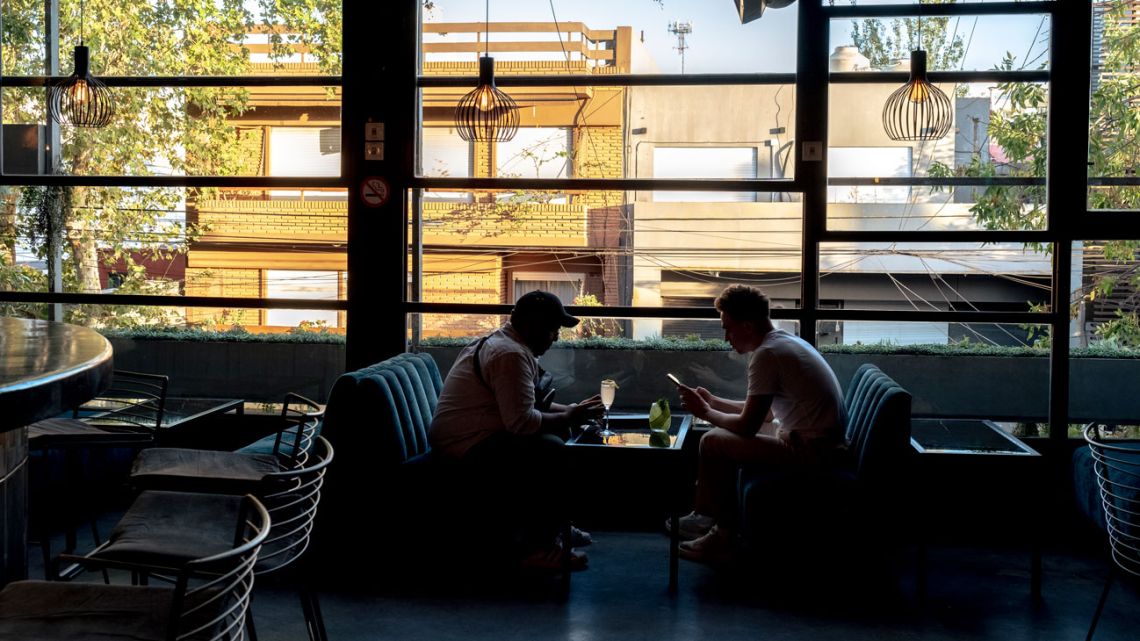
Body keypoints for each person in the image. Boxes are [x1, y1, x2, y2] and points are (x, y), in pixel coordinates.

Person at [429, 290, 604, 569]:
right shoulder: (509, 355)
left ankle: (553, 527)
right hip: (464, 444)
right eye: (552, 329)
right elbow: (522, 422)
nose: (556, 337)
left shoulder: (506, 343)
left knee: (559, 434)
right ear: (533, 325)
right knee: (552, 451)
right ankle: (537, 549)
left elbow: (527, 405)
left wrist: (572, 411)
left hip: (473, 434)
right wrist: (570, 414)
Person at [670, 284, 845, 564]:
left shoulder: (767, 355)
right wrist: (714, 402)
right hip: (817, 443)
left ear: (748, 325)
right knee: (718, 435)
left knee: (712, 441)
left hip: (810, 452)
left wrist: (704, 411)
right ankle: (707, 519)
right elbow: (763, 414)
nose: (726, 337)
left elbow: (748, 426)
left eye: (728, 328)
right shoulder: (783, 342)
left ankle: (720, 533)